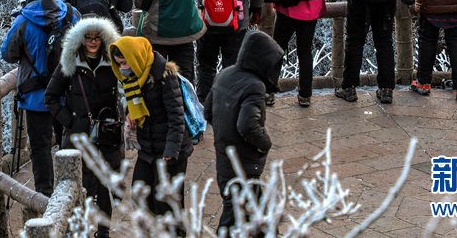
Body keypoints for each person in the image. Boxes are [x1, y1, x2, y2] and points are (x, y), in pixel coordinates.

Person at [1, 0, 79, 195]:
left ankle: (44, 196)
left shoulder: (24, 20)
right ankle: (71, 191)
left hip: (35, 97)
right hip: (67, 93)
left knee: (40, 148)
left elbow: (7, 54)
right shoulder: (72, 14)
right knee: (69, 142)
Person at [44, 17, 123, 237]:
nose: (93, 42)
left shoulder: (113, 61)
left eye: (97, 37)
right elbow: (50, 97)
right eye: (88, 38)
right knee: (81, 184)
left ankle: (103, 231)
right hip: (81, 135)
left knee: (106, 182)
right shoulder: (70, 63)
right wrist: (72, 122)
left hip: (108, 134)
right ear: (81, 40)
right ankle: (79, 229)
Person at [204, 30, 283, 230]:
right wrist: (265, 144)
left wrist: (224, 135)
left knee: (257, 212)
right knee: (233, 218)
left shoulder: (225, 74)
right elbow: (248, 125)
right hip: (243, 164)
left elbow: (208, 112)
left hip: (224, 159)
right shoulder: (255, 86)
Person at [110, 36, 193, 219]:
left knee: (168, 205)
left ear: (135, 58)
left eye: (125, 63)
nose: (123, 68)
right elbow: (136, 103)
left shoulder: (164, 76)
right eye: (120, 64)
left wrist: (171, 150)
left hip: (170, 149)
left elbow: (176, 117)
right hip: (148, 148)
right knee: (141, 197)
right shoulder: (134, 77)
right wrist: (129, 113)